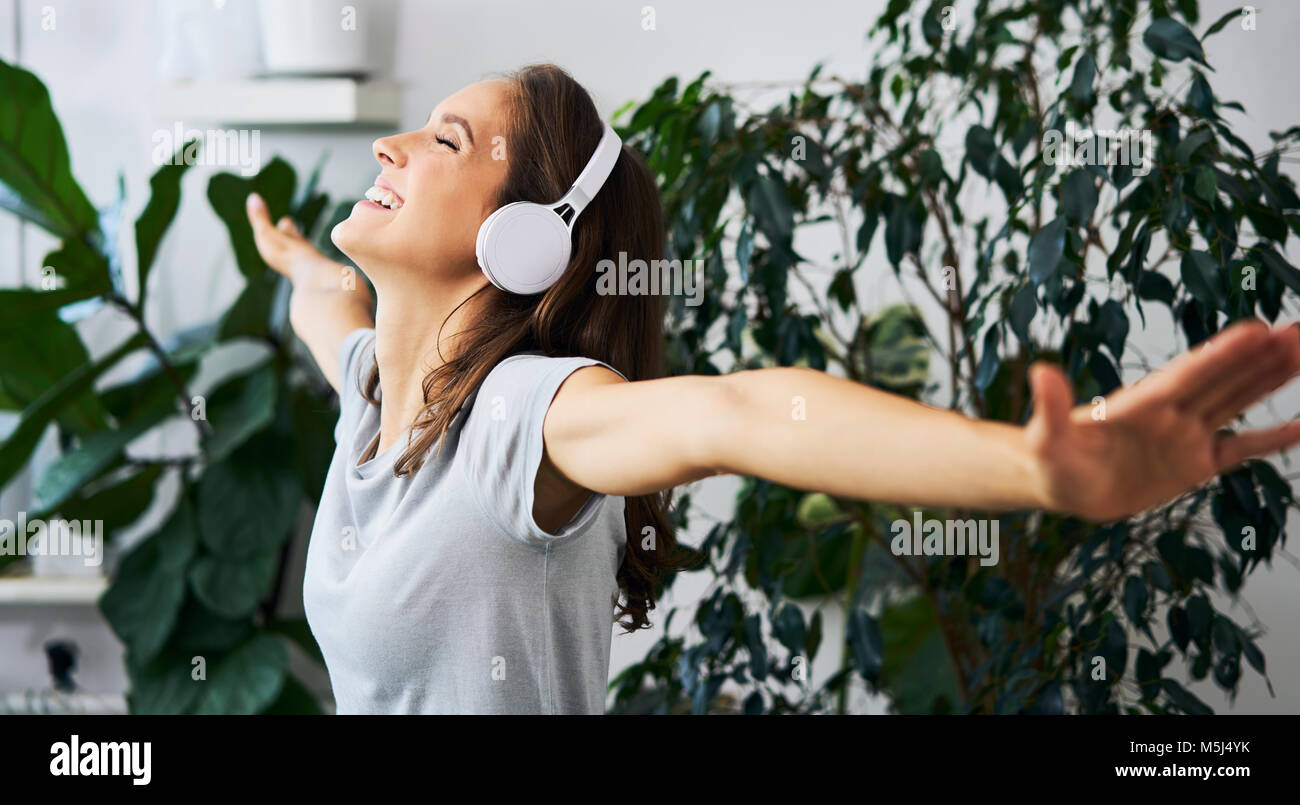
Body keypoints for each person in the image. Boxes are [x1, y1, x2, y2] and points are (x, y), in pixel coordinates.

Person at [244, 62, 1300, 714]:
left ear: (522, 236)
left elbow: (737, 412)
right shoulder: (372, 397)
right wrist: (293, 254)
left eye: (444, 141)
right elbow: (323, 299)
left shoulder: (528, 416)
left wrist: (1027, 467)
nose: (389, 146)